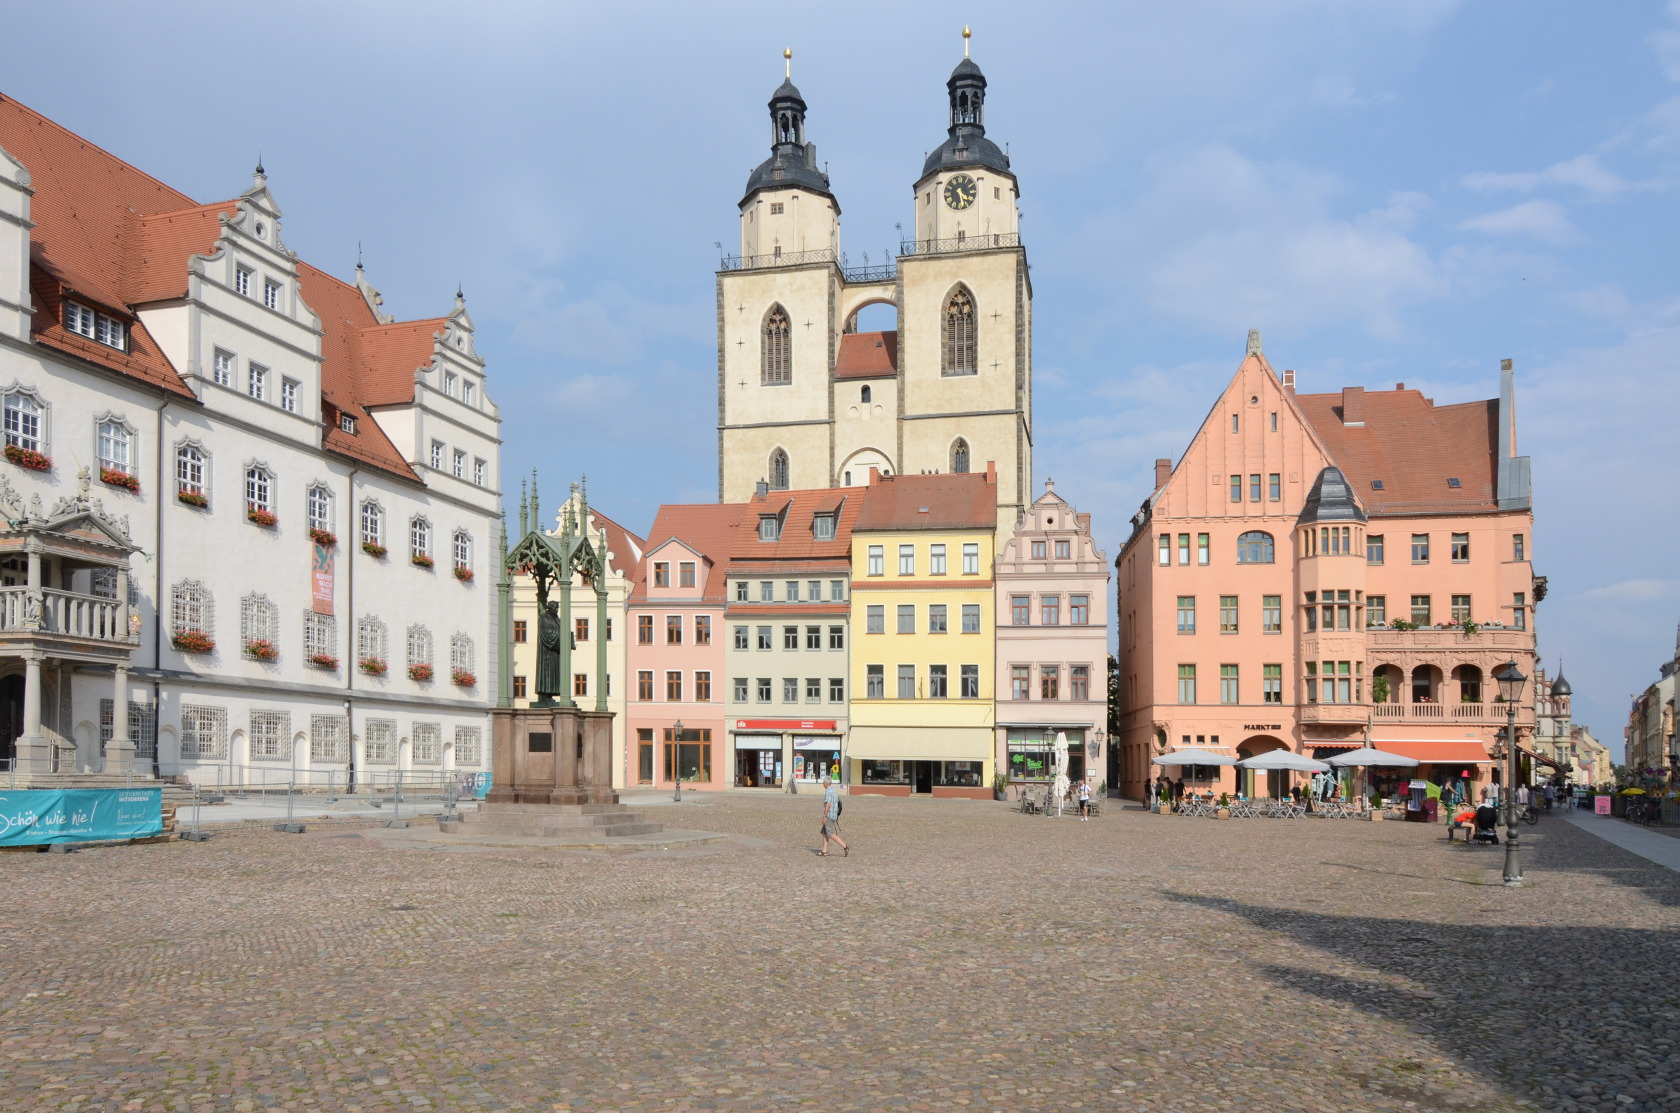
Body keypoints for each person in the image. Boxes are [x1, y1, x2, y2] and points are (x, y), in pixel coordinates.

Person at [818, 776, 847, 857]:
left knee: (830, 834)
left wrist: (824, 816)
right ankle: (824, 851)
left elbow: (828, 805)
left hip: (829, 815)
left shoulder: (828, 791)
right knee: (824, 833)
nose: (823, 784)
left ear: (826, 783)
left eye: (823, 783)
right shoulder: (834, 790)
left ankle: (845, 846)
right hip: (834, 814)